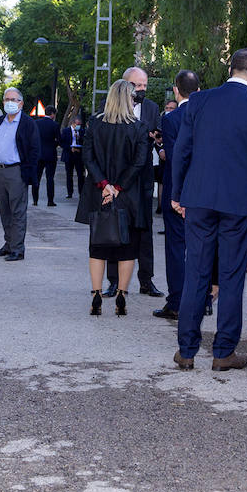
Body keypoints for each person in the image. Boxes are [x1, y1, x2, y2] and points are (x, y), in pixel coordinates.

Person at [171, 48, 247, 372]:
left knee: (196, 273)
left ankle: (186, 350)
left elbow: (181, 151)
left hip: (199, 198)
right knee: (231, 276)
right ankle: (223, 352)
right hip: (238, 203)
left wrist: (177, 194)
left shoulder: (200, 102)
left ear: (230, 68)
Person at [77, 79, 150, 315]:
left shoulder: (95, 124)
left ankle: (96, 294)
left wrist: (105, 185)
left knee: (97, 245)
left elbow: (88, 157)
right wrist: (118, 187)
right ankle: (121, 294)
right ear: (128, 99)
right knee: (127, 248)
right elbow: (139, 162)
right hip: (128, 196)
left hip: (99, 193)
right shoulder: (138, 127)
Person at [107, 67, 163, 298]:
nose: (141, 90)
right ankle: (114, 281)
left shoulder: (151, 108)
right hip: (117, 177)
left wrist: (154, 137)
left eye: (144, 85)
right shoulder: (109, 106)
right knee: (113, 228)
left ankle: (146, 280)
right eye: (137, 85)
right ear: (125, 84)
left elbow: (158, 135)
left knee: (145, 229)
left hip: (143, 177)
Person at [155, 70, 199, 321]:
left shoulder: (171, 119)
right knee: (201, 246)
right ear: (199, 91)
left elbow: (175, 157)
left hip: (177, 189)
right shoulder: (208, 115)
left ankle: (176, 301)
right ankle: (202, 299)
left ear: (176, 90)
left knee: (175, 247)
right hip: (203, 190)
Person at [0, 87, 40, 260]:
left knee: (17, 211)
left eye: (13, 99)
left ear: (21, 103)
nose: (9, 102)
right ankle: (8, 244)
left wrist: (28, 173)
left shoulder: (27, 123)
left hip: (17, 171)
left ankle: (17, 249)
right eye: (6, 99)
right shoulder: (0, 121)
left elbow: (34, 150)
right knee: (5, 210)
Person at [32, 106, 60, 206]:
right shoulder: (55, 125)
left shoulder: (36, 123)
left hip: (38, 154)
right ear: (52, 114)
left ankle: (35, 200)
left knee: (37, 178)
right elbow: (59, 140)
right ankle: (50, 201)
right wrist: (53, 145)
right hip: (51, 154)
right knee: (50, 178)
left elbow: (33, 138)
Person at [61, 112, 86, 199]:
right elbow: (62, 143)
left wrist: (80, 138)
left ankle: (81, 192)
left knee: (80, 174)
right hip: (69, 154)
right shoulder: (66, 131)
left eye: (80, 124)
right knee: (69, 174)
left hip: (78, 154)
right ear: (73, 123)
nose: (78, 126)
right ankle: (69, 192)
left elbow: (86, 143)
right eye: (77, 124)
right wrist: (69, 148)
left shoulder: (82, 131)